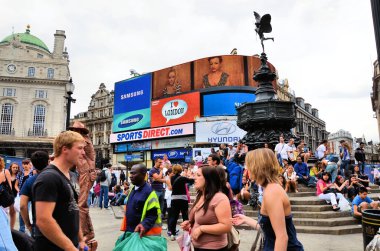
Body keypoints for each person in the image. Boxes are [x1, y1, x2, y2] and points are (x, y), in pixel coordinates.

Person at [234, 148, 303, 250]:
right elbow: (269, 229)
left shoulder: (272, 192)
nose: (246, 169)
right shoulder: (270, 189)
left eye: (248, 165)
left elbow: (282, 237)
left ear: (257, 167)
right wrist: (245, 219)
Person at [32, 131, 87, 251]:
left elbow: (73, 210)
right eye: (80, 148)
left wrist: (81, 240)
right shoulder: (49, 178)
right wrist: (70, 248)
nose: (83, 153)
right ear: (65, 149)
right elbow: (43, 220)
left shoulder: (72, 176)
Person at [180, 166, 232, 250]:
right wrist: (191, 224)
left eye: (198, 175)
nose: (194, 178)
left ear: (208, 179)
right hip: (198, 246)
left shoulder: (220, 198)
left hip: (214, 248)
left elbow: (226, 226)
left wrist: (201, 229)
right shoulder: (201, 196)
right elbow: (201, 219)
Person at [69, 121, 97, 247]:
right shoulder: (80, 140)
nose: (74, 131)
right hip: (83, 172)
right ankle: (87, 232)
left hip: (86, 172)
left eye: (75, 130)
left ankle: (81, 233)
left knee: (80, 204)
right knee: (82, 204)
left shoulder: (82, 141)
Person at [121, 163, 162, 237]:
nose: (130, 176)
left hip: (141, 235)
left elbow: (153, 215)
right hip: (130, 232)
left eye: (134, 173)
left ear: (144, 175)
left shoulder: (149, 193)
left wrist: (143, 225)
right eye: (130, 173)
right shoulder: (133, 189)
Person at [20, 151, 49, 238]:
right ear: (48, 162)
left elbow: (22, 206)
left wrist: (28, 225)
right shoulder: (57, 178)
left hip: (38, 227)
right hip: (58, 226)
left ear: (32, 164)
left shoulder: (29, 181)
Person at [168, 164, 194, 241]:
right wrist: (189, 175)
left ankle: (172, 234)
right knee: (185, 216)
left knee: (174, 216)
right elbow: (191, 181)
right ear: (180, 170)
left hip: (174, 199)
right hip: (183, 199)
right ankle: (187, 234)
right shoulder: (182, 178)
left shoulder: (172, 178)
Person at [15, 158, 34, 233]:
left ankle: (32, 227)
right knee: (22, 211)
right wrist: (18, 190)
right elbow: (16, 185)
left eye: (27, 164)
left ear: (30, 165)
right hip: (23, 195)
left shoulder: (33, 173)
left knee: (32, 211)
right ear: (22, 165)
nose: (25, 165)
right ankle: (22, 229)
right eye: (24, 164)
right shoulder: (20, 173)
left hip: (31, 194)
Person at [9, 162, 20, 229]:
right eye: (14, 167)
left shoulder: (19, 175)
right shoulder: (7, 174)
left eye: (16, 167)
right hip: (7, 195)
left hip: (15, 196)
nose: (15, 169)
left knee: (12, 212)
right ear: (10, 167)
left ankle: (11, 228)